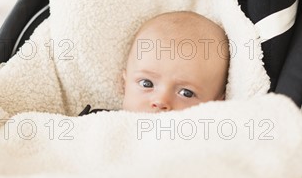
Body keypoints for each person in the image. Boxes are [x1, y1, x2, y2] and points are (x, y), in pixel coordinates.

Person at [80, 10, 229, 117]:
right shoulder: (99, 123)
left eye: (186, 93)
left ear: (217, 103)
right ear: (124, 85)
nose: (161, 101)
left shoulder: (206, 141)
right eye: (146, 84)